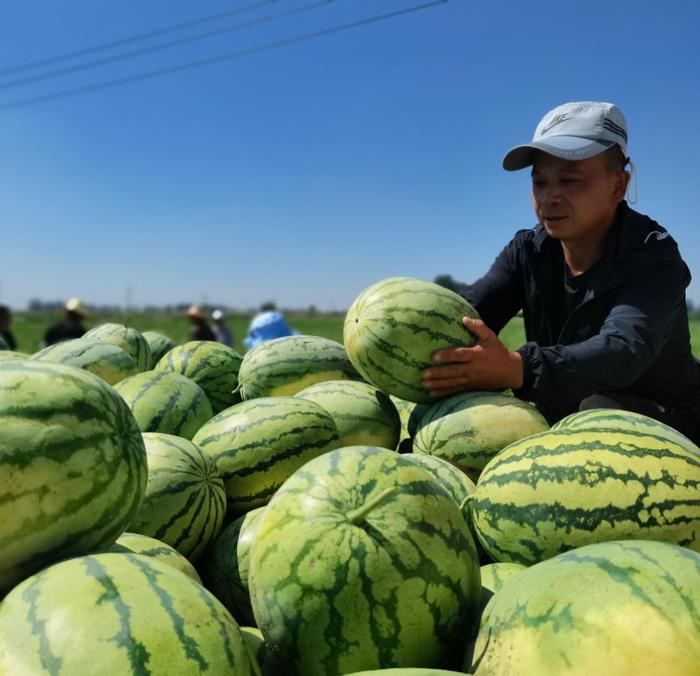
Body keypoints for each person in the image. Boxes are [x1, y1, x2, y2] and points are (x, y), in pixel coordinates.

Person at [422, 101, 700, 444]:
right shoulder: (528, 251)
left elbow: (623, 349)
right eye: (539, 182)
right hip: (567, 420)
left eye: (569, 180)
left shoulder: (653, 255)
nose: (549, 196)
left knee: (595, 412)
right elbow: (468, 315)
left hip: (668, 420)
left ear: (618, 185)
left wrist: (518, 367)